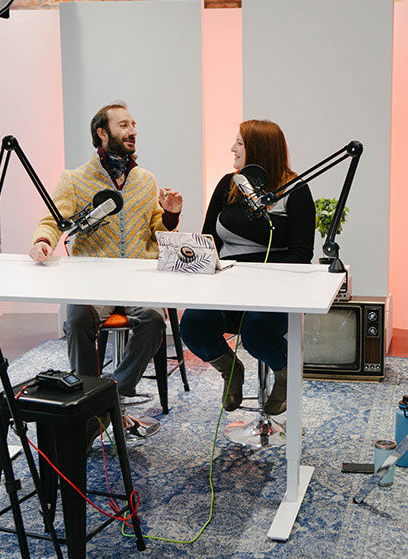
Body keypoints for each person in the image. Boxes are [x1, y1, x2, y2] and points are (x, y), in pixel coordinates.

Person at [29, 101, 182, 407]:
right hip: (93, 280)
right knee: (75, 321)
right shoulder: (75, 179)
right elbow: (52, 220)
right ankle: (87, 398)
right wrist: (43, 240)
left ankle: (112, 393)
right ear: (102, 133)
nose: (133, 131)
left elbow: (157, 229)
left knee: (153, 321)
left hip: (138, 278)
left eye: (133, 125)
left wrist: (170, 215)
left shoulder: (145, 179)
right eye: (123, 125)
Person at [179, 120, 314, 415]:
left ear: (259, 149)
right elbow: (208, 240)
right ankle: (231, 370)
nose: (232, 148)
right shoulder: (229, 184)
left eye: (239, 143)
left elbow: (302, 253)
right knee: (192, 326)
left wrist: (262, 283)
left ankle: (284, 371)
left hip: (273, 292)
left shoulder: (297, 191)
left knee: (258, 334)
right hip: (227, 288)